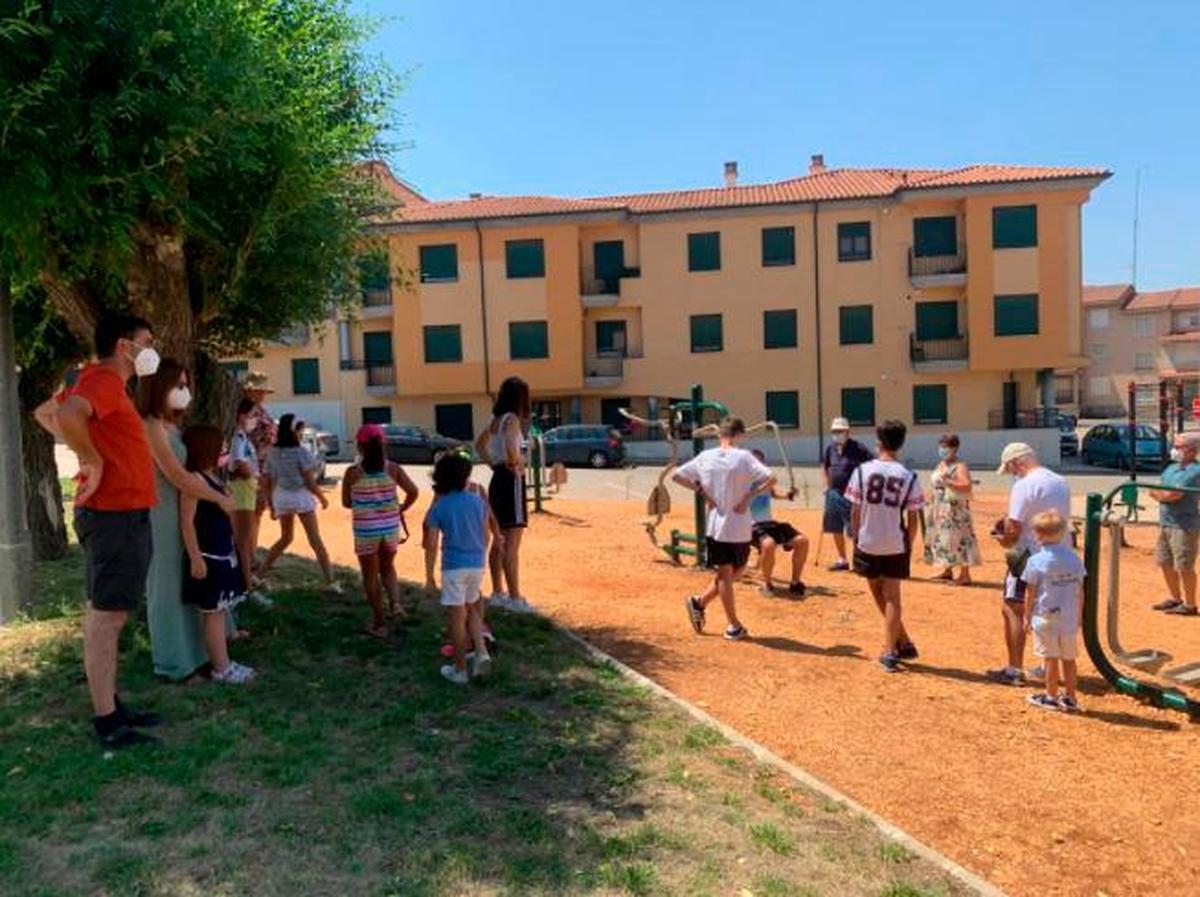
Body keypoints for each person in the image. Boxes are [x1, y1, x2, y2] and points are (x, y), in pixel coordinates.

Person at [40, 315, 162, 747]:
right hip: (114, 515)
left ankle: (110, 704)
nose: (153, 349)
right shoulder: (103, 381)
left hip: (122, 515)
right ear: (125, 345)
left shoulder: (103, 383)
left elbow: (45, 412)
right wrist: (91, 459)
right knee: (106, 619)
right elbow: (68, 414)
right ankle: (107, 720)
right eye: (148, 341)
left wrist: (89, 451)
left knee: (109, 615)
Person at [135, 360, 236, 681]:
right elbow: (177, 475)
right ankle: (173, 663)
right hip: (162, 516)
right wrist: (218, 497)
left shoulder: (173, 427)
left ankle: (199, 655)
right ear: (158, 387)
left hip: (190, 515)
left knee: (192, 585)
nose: (184, 391)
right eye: (178, 384)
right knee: (166, 588)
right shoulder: (149, 426)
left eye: (186, 384)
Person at [676, 417, 775, 641]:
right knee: (729, 573)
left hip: (718, 525)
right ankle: (733, 624)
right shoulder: (743, 456)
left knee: (731, 573)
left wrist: (704, 493)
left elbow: (677, 476)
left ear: (720, 434)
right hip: (738, 525)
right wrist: (748, 497)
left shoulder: (706, 457)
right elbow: (771, 478)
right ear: (739, 434)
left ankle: (699, 603)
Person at [846, 419, 925, 672]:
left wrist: (856, 537)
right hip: (895, 541)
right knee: (892, 596)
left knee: (877, 592)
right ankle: (898, 644)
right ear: (901, 444)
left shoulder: (862, 471)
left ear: (878, 442)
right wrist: (909, 544)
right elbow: (913, 517)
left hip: (868, 540)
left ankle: (894, 646)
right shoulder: (908, 476)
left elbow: (855, 510)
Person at [988, 443, 1070, 686]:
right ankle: (1047, 666)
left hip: (1030, 556)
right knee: (1049, 611)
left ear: (1017, 463)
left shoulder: (1024, 485)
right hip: (1059, 553)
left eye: (1012, 469)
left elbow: (1013, 529)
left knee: (1012, 608)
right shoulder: (1059, 480)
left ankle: (1014, 669)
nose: (1013, 474)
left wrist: (1001, 539)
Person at [180, 425, 255, 685]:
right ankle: (221, 668)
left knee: (220, 612)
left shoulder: (213, 479)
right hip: (208, 557)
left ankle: (224, 662)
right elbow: (187, 522)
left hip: (223, 555)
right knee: (213, 613)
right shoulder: (195, 481)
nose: (225, 450)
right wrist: (195, 557)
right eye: (220, 446)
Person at [425, 449, 503, 684]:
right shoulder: (478, 501)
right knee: (473, 608)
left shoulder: (439, 507)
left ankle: (459, 669)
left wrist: (429, 575)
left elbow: (430, 544)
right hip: (476, 564)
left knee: (456, 617)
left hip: (453, 566)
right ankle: (480, 651)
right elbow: (484, 531)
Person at [341, 424, 419, 637]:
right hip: (390, 528)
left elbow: (347, 502)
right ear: (383, 444)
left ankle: (379, 621)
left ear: (359, 446)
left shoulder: (353, 473)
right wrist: (401, 508)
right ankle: (396, 604)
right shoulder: (393, 468)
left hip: (366, 531)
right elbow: (413, 491)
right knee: (388, 567)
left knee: (370, 575)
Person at [260, 412, 340, 592]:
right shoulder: (301, 452)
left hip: (281, 497)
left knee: (285, 538)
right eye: (300, 431)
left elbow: (267, 480)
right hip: (300, 497)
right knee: (315, 540)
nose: (302, 434)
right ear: (294, 431)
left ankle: (259, 575)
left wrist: (271, 504)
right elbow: (309, 481)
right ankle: (330, 581)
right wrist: (322, 497)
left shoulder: (272, 453)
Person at [477, 377, 534, 613]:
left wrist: (494, 464)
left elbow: (479, 445)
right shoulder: (512, 420)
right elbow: (512, 449)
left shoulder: (496, 420)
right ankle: (515, 597)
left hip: (498, 479)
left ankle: (498, 592)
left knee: (498, 537)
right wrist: (518, 461)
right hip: (512, 480)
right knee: (512, 541)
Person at [1022, 511, 1086, 711]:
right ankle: (1070, 697)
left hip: (1045, 615)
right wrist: (1079, 615)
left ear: (1038, 534)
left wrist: (1026, 616)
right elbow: (1080, 590)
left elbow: (1030, 592)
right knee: (1069, 659)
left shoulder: (1036, 561)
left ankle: (1050, 696)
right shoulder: (1074, 558)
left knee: (1050, 658)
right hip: (1069, 616)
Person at [1149, 433, 1200, 617]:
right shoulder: (1171, 468)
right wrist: (1162, 495)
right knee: (1164, 562)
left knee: (1184, 565)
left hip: (1184, 525)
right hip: (1166, 522)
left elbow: (1173, 495)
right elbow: (1156, 490)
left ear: (1192, 450)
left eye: (1179, 447)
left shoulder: (1195, 471)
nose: (1175, 450)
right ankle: (1175, 598)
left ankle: (1190, 604)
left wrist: (1161, 495)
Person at [748, 449, 808, 596]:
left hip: (769, 523)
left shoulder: (765, 481)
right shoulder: (742, 482)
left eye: (761, 463)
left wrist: (788, 495)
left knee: (802, 541)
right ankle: (767, 583)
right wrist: (760, 488)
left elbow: (774, 494)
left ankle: (795, 582)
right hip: (750, 525)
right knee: (768, 545)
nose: (758, 466)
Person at [228, 399, 269, 606]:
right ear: (242, 416)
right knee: (243, 543)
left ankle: (245, 583)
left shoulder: (244, 437)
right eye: (253, 415)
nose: (256, 419)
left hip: (247, 490)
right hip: (242, 491)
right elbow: (239, 465)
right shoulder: (238, 437)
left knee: (245, 541)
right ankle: (247, 589)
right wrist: (254, 474)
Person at [927, 434, 981, 585]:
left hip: (954, 508)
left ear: (955, 448)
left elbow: (966, 485)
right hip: (940, 507)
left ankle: (965, 575)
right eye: (941, 445)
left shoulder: (960, 466)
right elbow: (935, 485)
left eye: (946, 446)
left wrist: (948, 481)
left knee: (959, 539)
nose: (942, 449)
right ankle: (947, 570)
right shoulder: (941, 465)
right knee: (945, 539)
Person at [822, 416, 872, 571]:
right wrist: (826, 485)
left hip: (853, 495)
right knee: (835, 527)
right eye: (835, 431)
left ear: (848, 432)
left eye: (840, 431)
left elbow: (870, 468)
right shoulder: (830, 448)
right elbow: (826, 467)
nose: (837, 434)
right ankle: (842, 559)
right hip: (833, 493)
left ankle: (859, 559)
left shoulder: (860, 448)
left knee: (854, 528)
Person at [242, 371, 277, 583]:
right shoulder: (250, 414)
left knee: (256, 514)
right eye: (258, 389)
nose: (261, 393)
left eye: (262, 390)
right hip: (253, 470)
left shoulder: (255, 411)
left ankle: (252, 558)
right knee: (250, 516)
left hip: (260, 469)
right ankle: (249, 559)